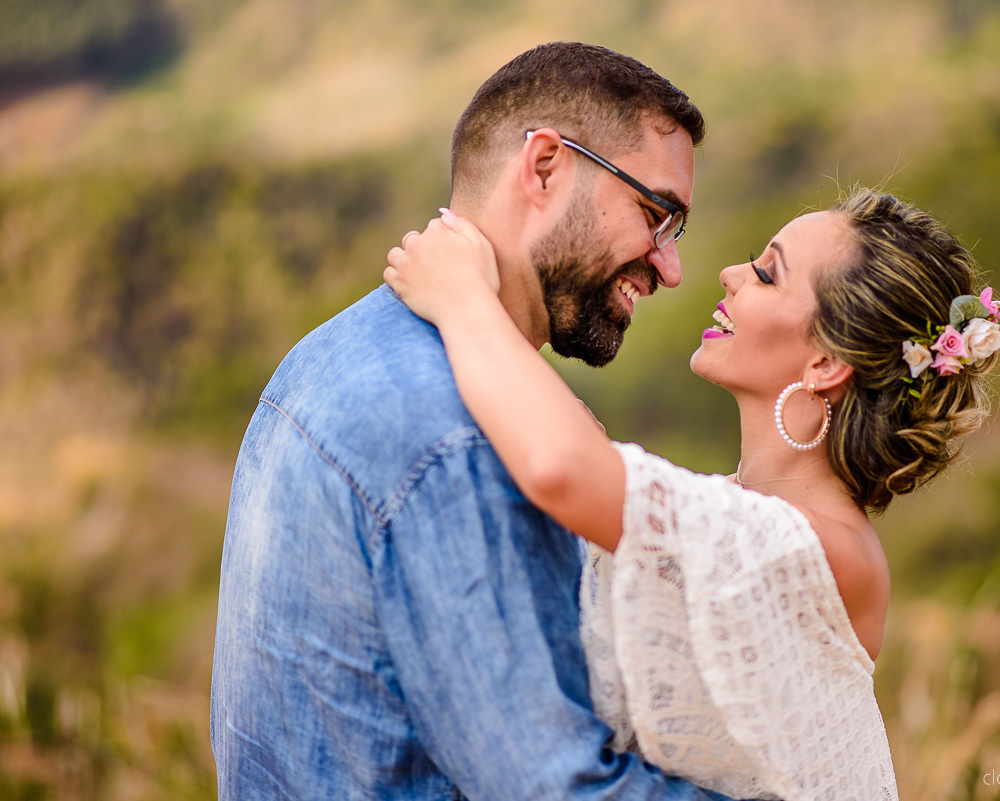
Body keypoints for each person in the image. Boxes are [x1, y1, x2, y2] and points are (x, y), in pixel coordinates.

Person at [210, 42, 734, 800]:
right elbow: (557, 787)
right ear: (546, 166)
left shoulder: (329, 351)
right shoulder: (463, 441)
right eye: (656, 213)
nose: (670, 264)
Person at [383, 189, 1000, 800]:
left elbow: (563, 471)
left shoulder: (830, 557)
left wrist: (463, 300)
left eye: (766, 274)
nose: (731, 274)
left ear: (825, 364)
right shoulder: (738, 512)